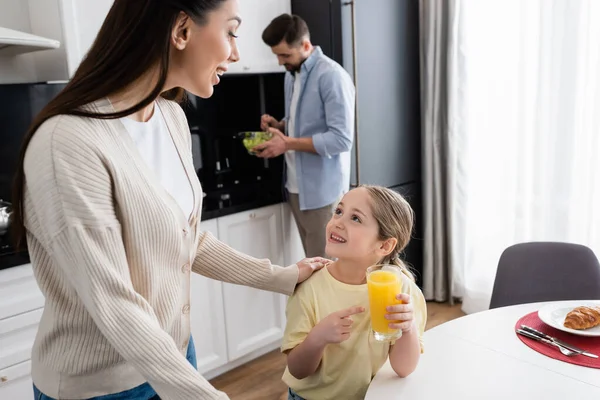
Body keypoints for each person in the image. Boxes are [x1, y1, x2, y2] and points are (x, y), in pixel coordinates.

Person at [11, 1, 327, 399]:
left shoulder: (169, 117)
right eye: (230, 31)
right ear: (181, 30)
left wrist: (281, 277)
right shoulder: (69, 142)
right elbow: (112, 301)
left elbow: (184, 237)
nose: (236, 52)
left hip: (174, 356)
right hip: (104, 387)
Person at [281, 185, 428, 400]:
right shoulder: (309, 286)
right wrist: (317, 338)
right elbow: (297, 369)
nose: (338, 222)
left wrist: (408, 328)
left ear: (385, 245)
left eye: (356, 218)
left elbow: (404, 369)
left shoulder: (401, 289)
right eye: (339, 211)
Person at [256, 14, 355, 259]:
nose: (280, 62)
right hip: (296, 190)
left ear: (306, 46)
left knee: (326, 273)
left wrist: (287, 143)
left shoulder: (331, 76)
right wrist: (279, 125)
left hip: (323, 195)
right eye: (277, 55)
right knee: (312, 270)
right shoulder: (292, 75)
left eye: (285, 55)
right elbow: (305, 124)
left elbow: (341, 139)